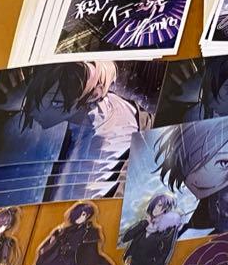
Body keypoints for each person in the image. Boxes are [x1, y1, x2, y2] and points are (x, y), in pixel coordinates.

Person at [21, 60, 145, 201]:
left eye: (56, 103)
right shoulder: (95, 101)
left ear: (94, 95)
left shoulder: (94, 152)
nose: (37, 112)